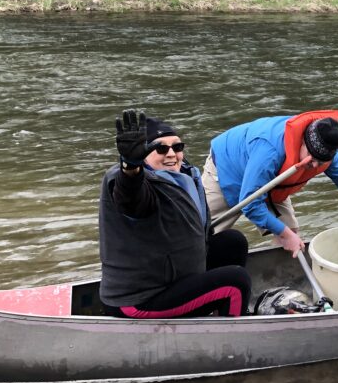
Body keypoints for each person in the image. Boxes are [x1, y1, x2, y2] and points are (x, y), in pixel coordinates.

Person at [98, 110, 252, 318]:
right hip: (141, 298)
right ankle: (230, 343)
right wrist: (130, 168)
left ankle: (219, 313)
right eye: (160, 148)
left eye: (177, 147)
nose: (171, 154)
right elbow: (131, 200)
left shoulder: (186, 177)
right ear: (142, 154)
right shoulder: (126, 180)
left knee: (233, 241)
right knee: (236, 282)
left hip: (176, 278)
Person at [202, 109, 338, 257]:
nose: (314, 166)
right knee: (201, 234)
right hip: (227, 170)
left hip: (274, 182)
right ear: (302, 143)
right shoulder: (269, 150)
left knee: (293, 237)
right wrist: (283, 232)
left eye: (321, 163)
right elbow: (250, 203)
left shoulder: (327, 149)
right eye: (311, 160)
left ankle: (279, 282)